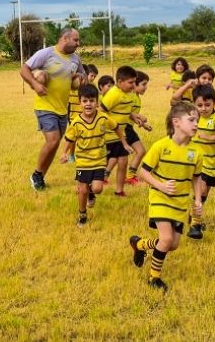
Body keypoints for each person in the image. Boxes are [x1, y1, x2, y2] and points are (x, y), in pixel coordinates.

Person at [129, 102, 203, 291]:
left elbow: (196, 177)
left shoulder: (196, 152)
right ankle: (154, 278)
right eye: (192, 120)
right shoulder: (161, 146)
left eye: (197, 120)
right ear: (176, 122)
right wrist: (161, 185)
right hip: (160, 198)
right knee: (167, 239)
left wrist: (198, 200)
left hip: (180, 202)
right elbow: (142, 172)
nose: (196, 124)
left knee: (172, 244)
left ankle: (140, 245)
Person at [19, 28, 85, 191]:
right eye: (76, 40)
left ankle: (40, 176)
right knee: (53, 140)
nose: (78, 43)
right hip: (45, 106)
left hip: (63, 108)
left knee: (54, 145)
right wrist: (35, 84)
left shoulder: (76, 59)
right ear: (64, 38)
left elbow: (82, 75)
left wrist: (78, 80)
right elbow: (24, 69)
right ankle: (36, 174)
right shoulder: (47, 53)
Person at [60, 83, 130, 227]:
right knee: (82, 190)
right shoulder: (76, 122)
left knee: (97, 188)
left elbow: (116, 127)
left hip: (99, 160)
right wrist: (64, 153)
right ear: (80, 103)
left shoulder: (103, 118)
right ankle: (82, 214)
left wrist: (124, 143)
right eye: (85, 101)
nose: (88, 104)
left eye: (92, 101)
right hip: (83, 162)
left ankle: (91, 194)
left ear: (97, 102)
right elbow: (69, 139)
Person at [186, 84, 215, 240]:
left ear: (214, 104)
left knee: (203, 194)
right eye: (199, 105)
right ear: (194, 104)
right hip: (195, 163)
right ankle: (195, 225)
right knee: (201, 192)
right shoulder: (192, 120)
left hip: (212, 165)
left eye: (208, 105)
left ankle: (192, 217)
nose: (204, 108)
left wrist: (211, 137)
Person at [101, 66, 139, 196]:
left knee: (123, 162)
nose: (133, 85)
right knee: (100, 164)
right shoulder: (113, 94)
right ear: (120, 81)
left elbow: (126, 111)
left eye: (134, 82)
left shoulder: (129, 95)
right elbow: (101, 111)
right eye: (130, 82)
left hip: (120, 136)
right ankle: (85, 185)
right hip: (108, 136)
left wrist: (135, 117)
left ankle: (119, 191)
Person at [125, 70, 153, 186]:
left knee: (141, 151)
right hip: (123, 129)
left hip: (129, 128)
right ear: (134, 84)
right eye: (144, 84)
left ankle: (130, 176)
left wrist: (144, 124)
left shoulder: (137, 98)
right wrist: (139, 116)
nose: (146, 87)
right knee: (116, 156)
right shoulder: (129, 96)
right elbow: (124, 111)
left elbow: (133, 117)